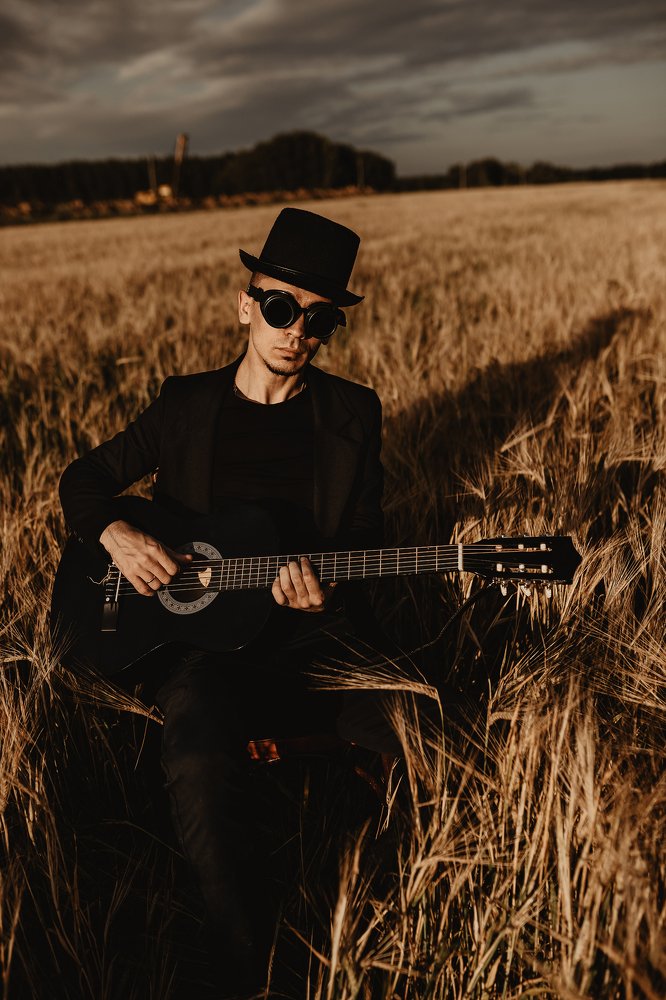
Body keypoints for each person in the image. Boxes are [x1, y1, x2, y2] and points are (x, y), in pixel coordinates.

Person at [58, 208, 398, 997]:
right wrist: (115, 533)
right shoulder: (186, 406)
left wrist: (327, 590)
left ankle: (377, 929)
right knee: (198, 756)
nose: (297, 332)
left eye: (320, 319)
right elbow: (83, 479)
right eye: (280, 307)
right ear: (245, 305)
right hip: (204, 645)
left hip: (315, 636)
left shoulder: (354, 415)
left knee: (418, 739)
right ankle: (247, 971)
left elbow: (366, 538)